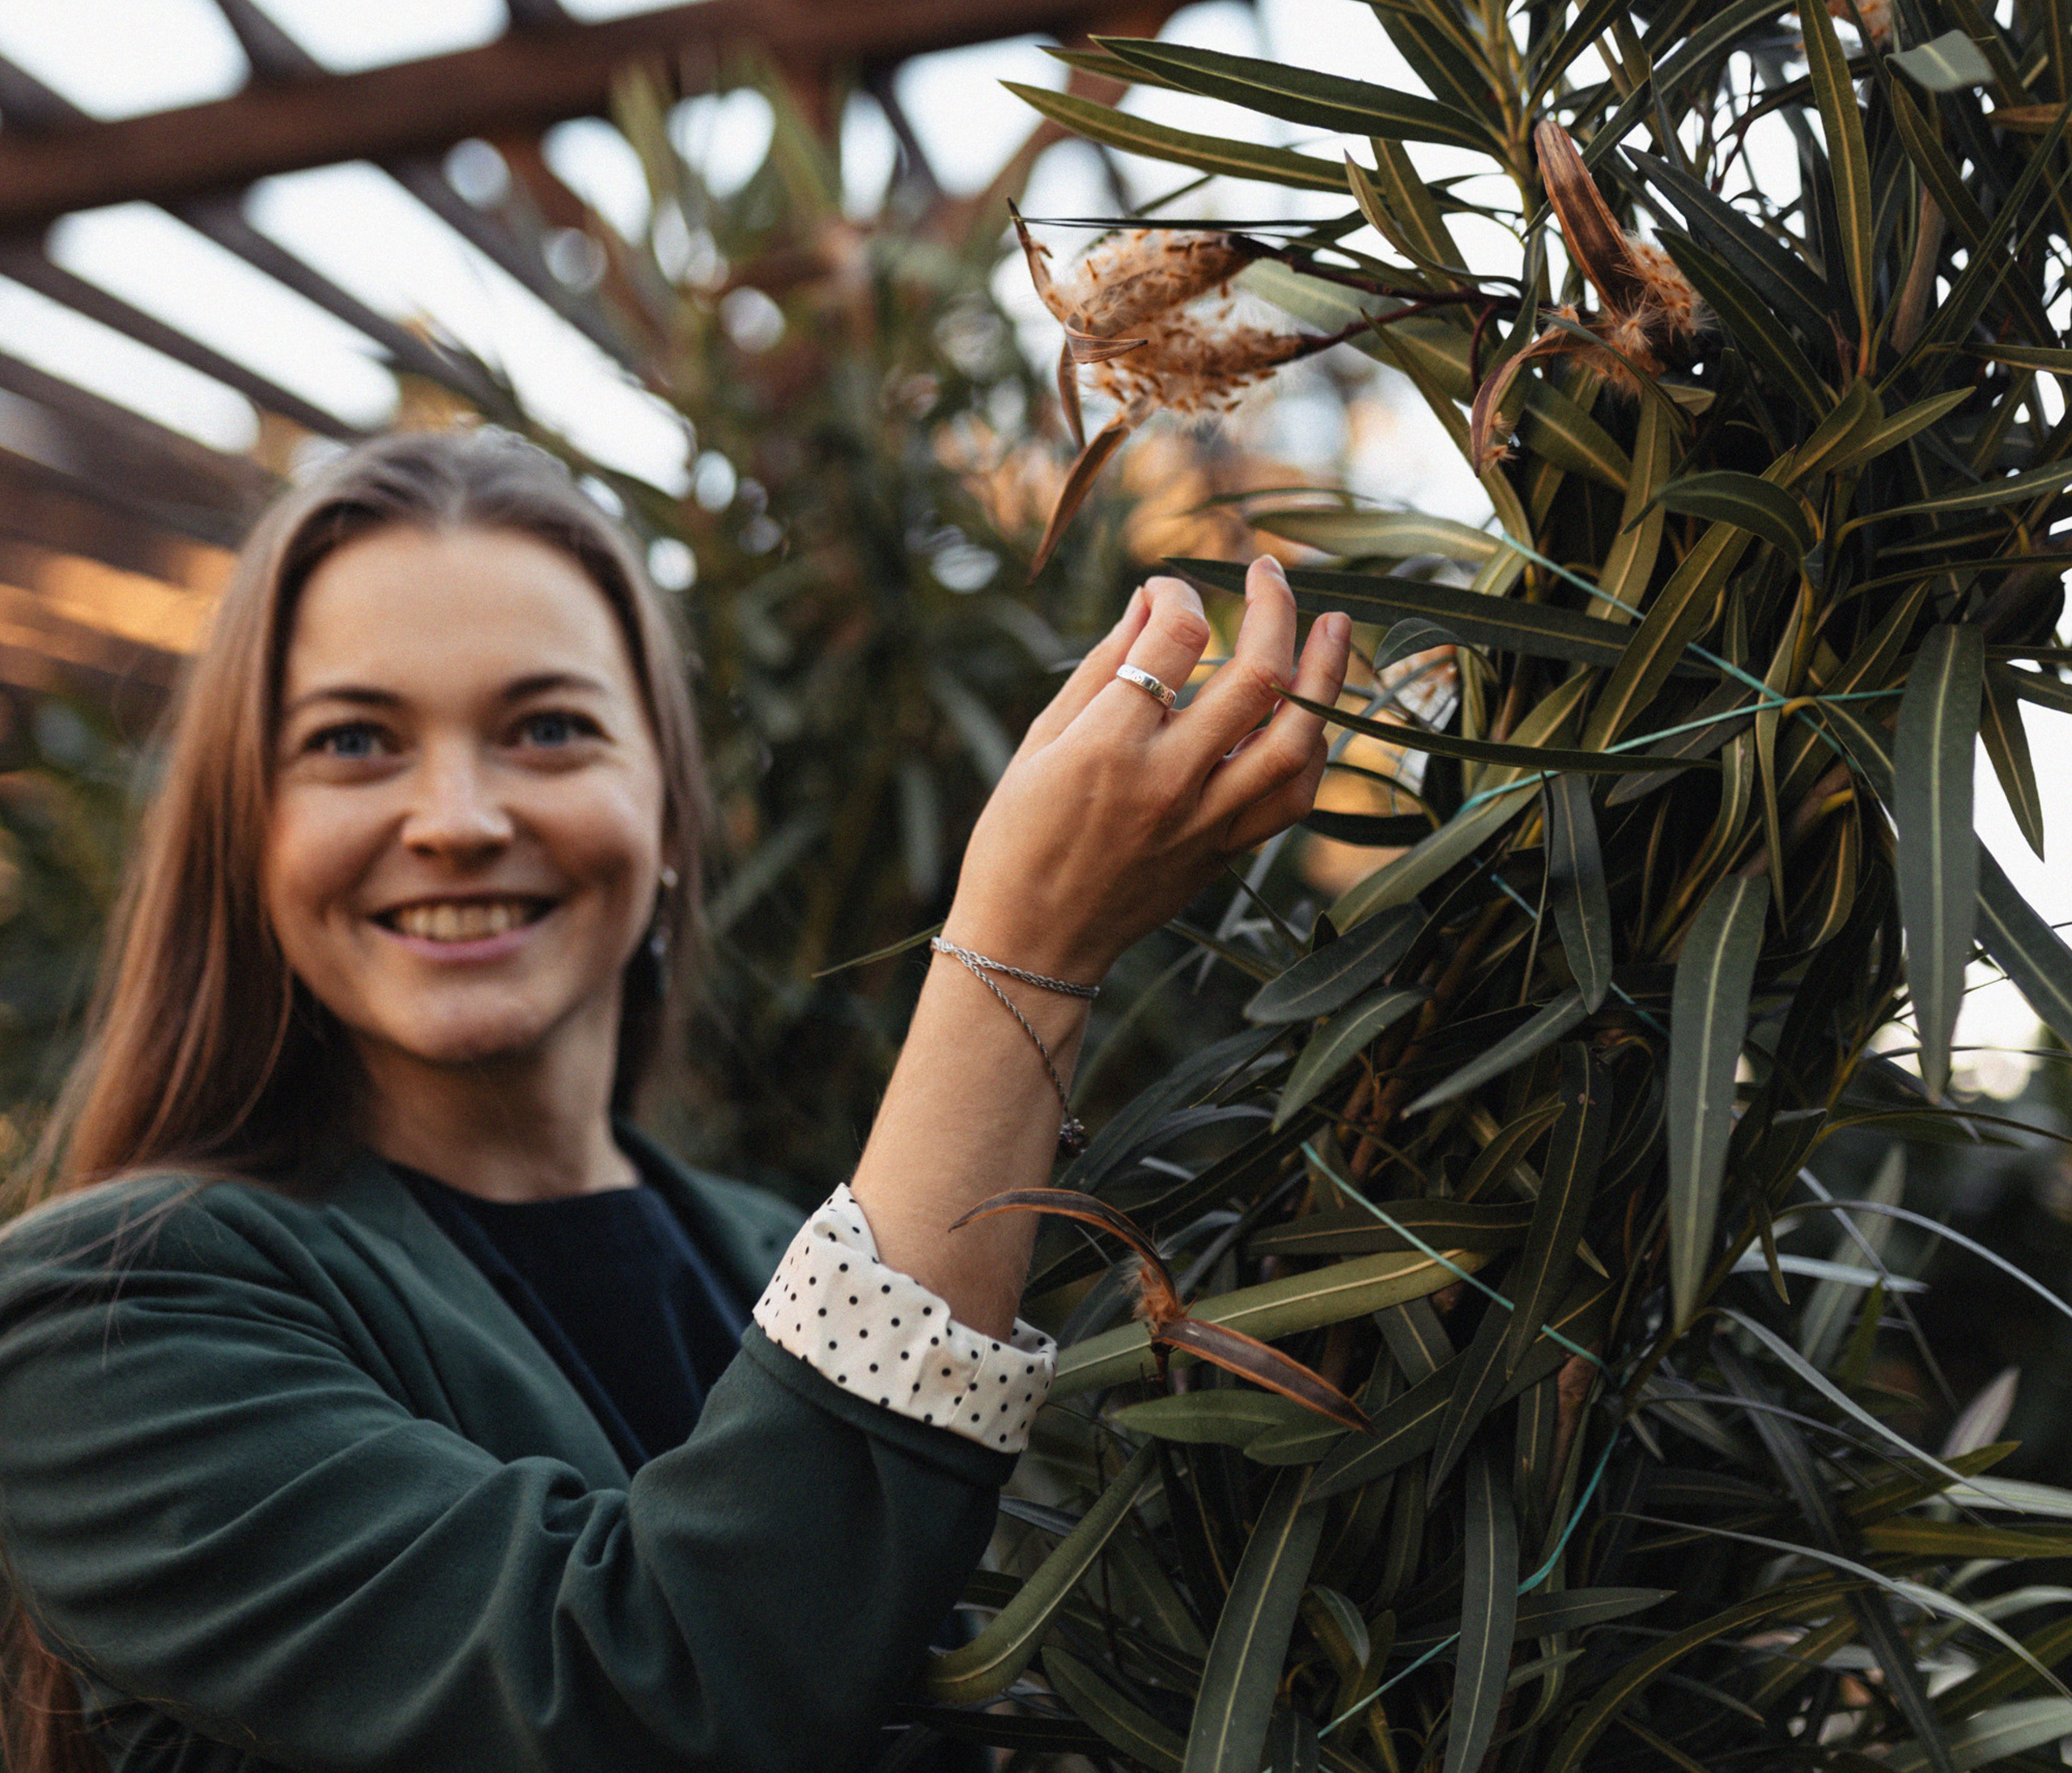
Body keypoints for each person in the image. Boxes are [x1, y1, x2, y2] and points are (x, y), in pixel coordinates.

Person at [0, 428, 1351, 1773]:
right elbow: (635, 1695)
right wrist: (1030, 948)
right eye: (354, 740)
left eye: (548, 729)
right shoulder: (104, 1318)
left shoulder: (786, 1257)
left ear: (664, 807)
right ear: (248, 828)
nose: (459, 817)